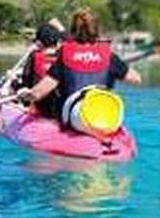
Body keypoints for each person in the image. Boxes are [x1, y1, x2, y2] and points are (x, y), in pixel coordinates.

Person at [19, 9, 141, 138]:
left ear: (73, 30)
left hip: (75, 117)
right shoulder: (108, 55)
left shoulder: (66, 53)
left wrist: (25, 96)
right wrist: (116, 67)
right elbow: (136, 78)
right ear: (97, 29)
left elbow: (39, 92)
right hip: (104, 117)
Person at [19, 19, 65, 118]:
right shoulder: (64, 57)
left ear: (39, 41)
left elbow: (26, 80)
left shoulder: (34, 56)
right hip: (58, 107)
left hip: (38, 104)